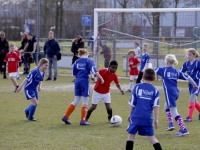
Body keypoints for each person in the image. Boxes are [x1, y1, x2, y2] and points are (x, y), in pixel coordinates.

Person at [155, 54, 198, 136]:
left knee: (174, 111)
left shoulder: (163, 70)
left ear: (166, 62)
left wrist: (147, 68)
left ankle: (184, 129)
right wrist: (195, 85)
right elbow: (187, 77)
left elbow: (152, 70)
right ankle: (170, 124)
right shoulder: (176, 71)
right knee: (166, 106)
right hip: (176, 93)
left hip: (170, 93)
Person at [62, 48, 104, 125]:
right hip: (84, 81)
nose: (88, 55)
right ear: (85, 54)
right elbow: (94, 71)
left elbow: (74, 73)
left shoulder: (76, 61)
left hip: (77, 80)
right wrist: (101, 78)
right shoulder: (88, 61)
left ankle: (65, 116)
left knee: (76, 100)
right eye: (88, 54)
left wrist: (79, 77)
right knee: (85, 101)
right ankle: (83, 120)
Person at [126, 68, 162, 150]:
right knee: (152, 138)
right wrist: (156, 119)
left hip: (136, 116)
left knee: (131, 136)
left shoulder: (137, 87)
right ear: (154, 79)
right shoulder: (156, 90)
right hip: (148, 118)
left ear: (142, 77)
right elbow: (156, 106)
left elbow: (132, 103)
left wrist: (130, 114)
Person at [180, 48, 200, 122]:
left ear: (194, 55)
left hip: (197, 83)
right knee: (194, 101)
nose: (188, 56)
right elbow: (181, 71)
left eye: (190, 55)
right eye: (188, 55)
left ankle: (189, 117)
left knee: (192, 98)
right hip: (190, 84)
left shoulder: (198, 63)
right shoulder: (186, 63)